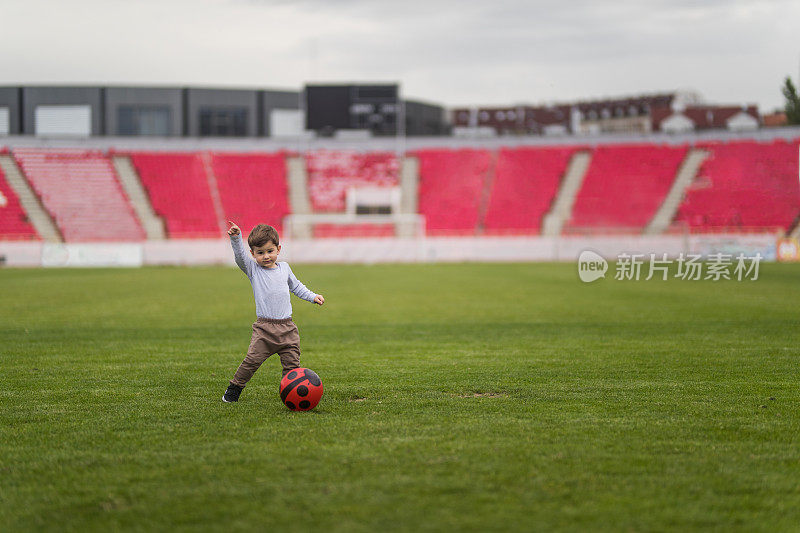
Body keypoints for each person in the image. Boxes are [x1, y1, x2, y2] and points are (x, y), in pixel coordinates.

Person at [222, 221, 324, 402]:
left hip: (287, 328)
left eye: (270, 251)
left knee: (292, 367)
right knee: (251, 361)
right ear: (253, 254)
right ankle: (234, 389)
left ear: (278, 249)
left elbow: (297, 287)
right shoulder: (253, 270)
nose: (266, 256)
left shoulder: (284, 268)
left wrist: (312, 296)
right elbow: (239, 257)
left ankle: (292, 397)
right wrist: (237, 238)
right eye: (260, 253)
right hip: (265, 330)